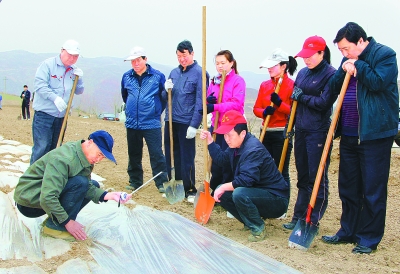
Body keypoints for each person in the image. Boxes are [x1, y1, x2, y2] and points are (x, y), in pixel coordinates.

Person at [321, 22, 399, 254]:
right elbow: (334, 87)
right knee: (349, 186)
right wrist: (344, 67)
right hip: (349, 133)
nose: (344, 54)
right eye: (341, 51)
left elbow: (378, 82)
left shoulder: (385, 55)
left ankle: (369, 237)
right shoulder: (348, 60)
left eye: (346, 49)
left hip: (374, 134)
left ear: (361, 41)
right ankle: (348, 231)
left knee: (372, 189)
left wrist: (359, 66)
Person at [14, 130, 131, 241]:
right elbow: (48, 197)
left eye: (102, 157)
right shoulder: (63, 159)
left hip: (42, 198)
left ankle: (54, 221)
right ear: (90, 143)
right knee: (81, 183)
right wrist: (68, 222)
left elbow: (88, 187)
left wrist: (110, 195)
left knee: (91, 184)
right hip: (29, 202)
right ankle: (55, 228)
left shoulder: (85, 158)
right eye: (99, 154)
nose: (98, 159)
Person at [199, 110, 289, 242]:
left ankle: (258, 227)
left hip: (276, 199)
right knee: (224, 193)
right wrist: (210, 142)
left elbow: (245, 181)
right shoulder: (237, 145)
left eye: (229, 135)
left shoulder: (253, 150)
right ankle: (249, 222)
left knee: (238, 193)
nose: (226, 139)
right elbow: (222, 159)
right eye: (224, 135)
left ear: (243, 133)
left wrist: (223, 186)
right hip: (258, 193)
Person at [282, 36, 336, 231]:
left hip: (318, 131)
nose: (306, 60)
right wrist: (290, 127)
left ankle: (312, 218)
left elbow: (323, 104)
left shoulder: (331, 74)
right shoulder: (303, 73)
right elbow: (294, 104)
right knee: (303, 176)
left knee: (317, 175)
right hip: (302, 130)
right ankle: (298, 215)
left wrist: (302, 97)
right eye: (304, 56)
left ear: (322, 53)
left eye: (310, 56)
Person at [163, 40, 209, 201]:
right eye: (178, 56)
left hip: (186, 121)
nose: (181, 59)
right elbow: (165, 98)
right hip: (170, 120)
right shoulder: (174, 73)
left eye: (184, 55)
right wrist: (165, 89)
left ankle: (189, 188)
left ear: (192, 54)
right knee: (171, 154)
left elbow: (200, 101)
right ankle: (174, 183)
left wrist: (194, 125)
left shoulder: (200, 73)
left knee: (186, 156)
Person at [122, 46, 169, 193]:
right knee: (134, 153)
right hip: (132, 122)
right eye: (132, 61)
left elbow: (164, 97)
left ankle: (161, 182)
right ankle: (135, 181)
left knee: (156, 153)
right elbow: (125, 95)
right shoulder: (126, 76)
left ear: (145, 59)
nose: (135, 63)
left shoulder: (157, 76)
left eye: (138, 60)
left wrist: (154, 112)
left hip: (151, 122)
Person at [30, 39, 84, 165]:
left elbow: (79, 91)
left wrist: (80, 79)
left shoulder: (73, 71)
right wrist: (54, 98)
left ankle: (48, 179)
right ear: (62, 51)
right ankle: (33, 181)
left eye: (75, 56)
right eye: (70, 55)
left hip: (61, 117)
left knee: (54, 149)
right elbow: (39, 85)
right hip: (44, 115)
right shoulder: (48, 65)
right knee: (41, 148)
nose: (72, 58)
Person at [253, 48, 297, 186]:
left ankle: (282, 202)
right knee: (263, 168)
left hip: (282, 133)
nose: (269, 69)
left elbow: (294, 112)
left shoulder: (292, 86)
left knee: (281, 170)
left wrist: (279, 104)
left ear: (283, 66)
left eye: (273, 66)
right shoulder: (264, 85)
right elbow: (256, 108)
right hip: (265, 132)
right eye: (269, 66)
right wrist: (264, 112)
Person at [205, 50, 246, 193]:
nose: (220, 66)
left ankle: (227, 192)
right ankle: (214, 189)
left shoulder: (237, 81)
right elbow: (208, 99)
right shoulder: (214, 81)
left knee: (228, 161)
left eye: (223, 63)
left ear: (231, 63)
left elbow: (237, 104)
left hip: (231, 127)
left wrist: (215, 106)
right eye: (217, 63)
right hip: (217, 125)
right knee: (216, 159)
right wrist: (208, 101)